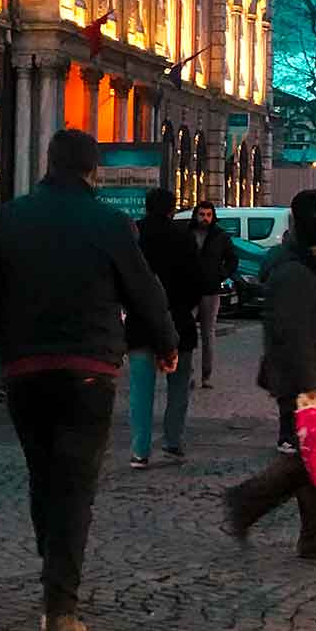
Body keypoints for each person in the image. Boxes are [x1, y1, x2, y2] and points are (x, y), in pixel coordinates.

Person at [0, 128, 175, 631]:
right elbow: (144, 291)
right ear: (92, 171)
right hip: (89, 369)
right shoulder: (110, 223)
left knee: (43, 477)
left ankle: (52, 570)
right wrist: (164, 342)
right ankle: (60, 607)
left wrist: (9, 345)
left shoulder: (11, 219)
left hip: (26, 369)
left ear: (48, 164)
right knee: (75, 485)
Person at [224, 200, 316, 560]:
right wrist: (310, 386)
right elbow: (294, 335)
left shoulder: (307, 272)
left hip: (311, 381)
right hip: (303, 385)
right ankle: (252, 502)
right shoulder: (295, 275)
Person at [130, 187, 206, 467]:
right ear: (172, 209)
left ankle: (140, 450)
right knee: (178, 387)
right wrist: (186, 307)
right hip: (178, 321)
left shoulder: (135, 234)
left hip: (140, 322)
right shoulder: (183, 237)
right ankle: (172, 442)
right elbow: (197, 280)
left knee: (141, 389)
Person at [190, 201, 239, 388]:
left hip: (211, 291)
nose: (205, 218)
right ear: (196, 215)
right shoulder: (188, 233)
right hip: (190, 290)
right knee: (187, 332)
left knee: (208, 335)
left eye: (208, 215)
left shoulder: (220, 236)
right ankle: (189, 374)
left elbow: (232, 259)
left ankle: (206, 376)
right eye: (202, 214)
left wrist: (221, 275)